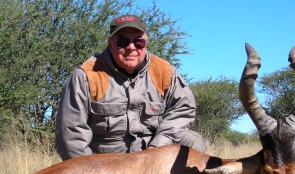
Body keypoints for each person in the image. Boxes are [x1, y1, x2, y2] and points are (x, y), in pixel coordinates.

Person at [55, 14, 206, 161]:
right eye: (123, 41)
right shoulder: (86, 75)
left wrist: (157, 147)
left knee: (192, 142)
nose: (131, 47)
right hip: (107, 161)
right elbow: (70, 135)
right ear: (110, 43)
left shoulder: (164, 72)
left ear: (145, 43)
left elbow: (183, 108)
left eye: (138, 42)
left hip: (153, 154)